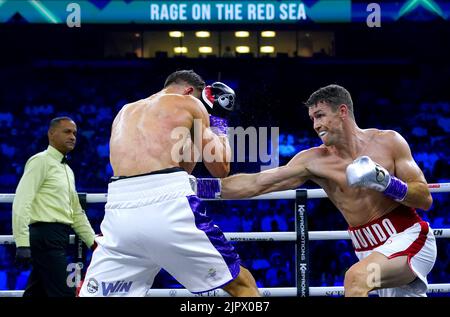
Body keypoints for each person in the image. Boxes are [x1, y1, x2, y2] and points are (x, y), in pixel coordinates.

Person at [215, 84, 437, 297]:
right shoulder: (314, 161)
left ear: (342, 111)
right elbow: (256, 183)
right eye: (312, 118)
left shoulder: (388, 141)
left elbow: (424, 198)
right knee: (362, 277)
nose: (315, 125)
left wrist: (386, 183)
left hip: (409, 237)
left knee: (356, 278)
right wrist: (199, 187)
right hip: (369, 248)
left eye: (320, 115)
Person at [78, 70, 259, 297]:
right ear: (190, 91)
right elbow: (220, 167)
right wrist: (219, 117)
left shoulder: (126, 111)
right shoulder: (189, 103)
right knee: (242, 284)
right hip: (167, 207)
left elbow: (179, 168)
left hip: (118, 215)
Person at [12, 116, 96, 297]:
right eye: (67, 131)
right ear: (51, 134)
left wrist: (94, 243)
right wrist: (22, 243)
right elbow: (22, 201)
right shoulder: (40, 161)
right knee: (65, 292)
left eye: (74, 133)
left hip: (59, 237)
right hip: (44, 237)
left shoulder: (67, 170)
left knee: (36, 293)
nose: (73, 136)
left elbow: (76, 212)